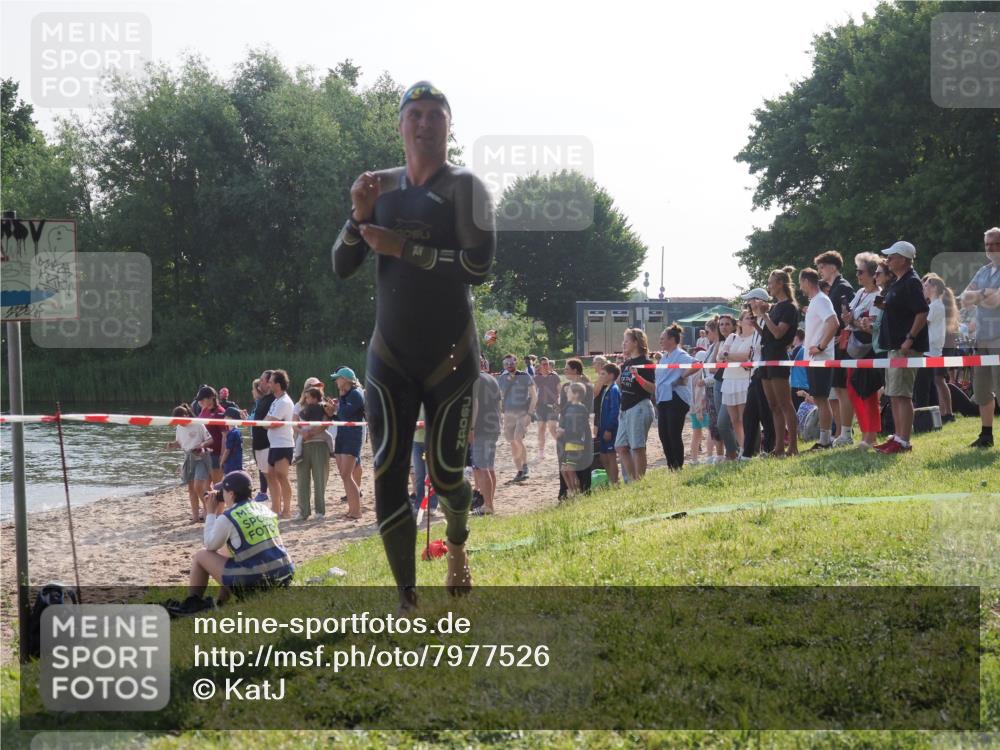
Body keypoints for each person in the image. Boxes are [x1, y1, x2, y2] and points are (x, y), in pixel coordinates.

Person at [332, 81, 496, 607]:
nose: (425, 124)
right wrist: (359, 217)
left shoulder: (465, 188)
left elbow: (478, 268)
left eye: (435, 115)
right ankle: (406, 596)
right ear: (400, 124)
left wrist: (403, 247)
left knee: (449, 475)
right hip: (389, 357)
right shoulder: (376, 187)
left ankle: (458, 545)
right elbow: (341, 264)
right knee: (386, 471)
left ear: (449, 125)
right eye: (415, 114)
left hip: (450, 357)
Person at [171, 470, 294, 615]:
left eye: (223, 491)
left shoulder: (229, 517)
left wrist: (210, 513)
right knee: (227, 549)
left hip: (255, 584)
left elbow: (209, 545)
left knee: (201, 555)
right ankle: (222, 601)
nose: (221, 495)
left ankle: (193, 602)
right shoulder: (263, 509)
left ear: (231, 494)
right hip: (284, 576)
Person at [874, 241, 929, 454]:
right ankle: (897, 437)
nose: (887, 260)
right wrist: (886, 306)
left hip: (905, 347)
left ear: (904, 259)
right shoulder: (899, 281)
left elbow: (922, 312)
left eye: (892, 256)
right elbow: (904, 309)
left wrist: (909, 338)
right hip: (894, 346)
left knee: (903, 394)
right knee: (894, 393)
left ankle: (904, 441)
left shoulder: (912, 282)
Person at [749, 269, 800, 457]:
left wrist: (764, 316)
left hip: (778, 359)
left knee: (785, 404)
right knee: (773, 406)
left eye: (771, 283)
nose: (768, 286)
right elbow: (769, 336)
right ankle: (779, 447)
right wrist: (756, 325)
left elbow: (779, 334)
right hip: (766, 359)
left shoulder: (789, 307)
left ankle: (793, 446)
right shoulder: (776, 307)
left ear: (780, 283)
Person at [635, 324, 693, 470]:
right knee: (663, 435)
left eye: (663, 338)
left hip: (676, 398)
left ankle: (678, 466)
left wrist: (682, 377)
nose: (660, 341)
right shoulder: (664, 357)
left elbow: (697, 365)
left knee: (674, 433)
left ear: (672, 339)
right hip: (663, 399)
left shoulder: (680, 355)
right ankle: (671, 466)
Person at [962, 227, 1000, 448]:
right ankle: (986, 435)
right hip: (981, 338)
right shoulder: (983, 271)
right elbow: (965, 297)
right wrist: (985, 294)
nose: (990, 248)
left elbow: (997, 302)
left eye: (995, 243)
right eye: (987, 244)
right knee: (982, 389)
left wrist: (980, 295)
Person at [841, 253, 884, 449]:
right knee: (853, 390)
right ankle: (865, 432)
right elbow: (852, 318)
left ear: (872, 274)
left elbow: (871, 327)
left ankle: (871, 435)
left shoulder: (878, 296)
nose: (857, 275)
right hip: (854, 349)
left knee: (868, 392)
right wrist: (848, 318)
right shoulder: (860, 293)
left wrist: (854, 321)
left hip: (868, 349)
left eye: (861, 271)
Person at [815, 251, 857, 445]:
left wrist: (839, 333)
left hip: (843, 345)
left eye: (822, 267)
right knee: (837, 390)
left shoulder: (843, 287)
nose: (819, 271)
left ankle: (846, 432)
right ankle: (841, 432)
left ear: (833, 266)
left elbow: (848, 317)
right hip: (835, 345)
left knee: (842, 390)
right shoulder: (832, 289)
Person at [799, 268, 839, 450]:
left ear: (807, 281)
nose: (800, 288)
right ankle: (825, 439)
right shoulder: (817, 301)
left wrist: (821, 346)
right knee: (820, 398)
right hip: (814, 359)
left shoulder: (821, 300)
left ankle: (825, 440)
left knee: (822, 399)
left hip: (821, 358)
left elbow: (834, 323)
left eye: (801, 283)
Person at [614, 328, 655, 480]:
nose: (623, 343)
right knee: (621, 446)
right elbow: (620, 385)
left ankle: (639, 481)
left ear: (636, 342)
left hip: (639, 407)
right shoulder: (627, 363)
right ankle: (632, 480)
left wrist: (637, 376)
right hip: (625, 409)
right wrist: (618, 370)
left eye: (626, 340)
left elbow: (652, 388)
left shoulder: (646, 363)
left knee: (637, 447)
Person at [916, 273, 956, 422]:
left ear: (934, 287)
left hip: (929, 350)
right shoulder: (936, 305)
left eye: (926, 286)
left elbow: (922, 325)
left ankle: (926, 416)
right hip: (933, 349)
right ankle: (945, 413)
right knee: (937, 381)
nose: (923, 288)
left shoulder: (934, 306)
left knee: (925, 384)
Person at [166, 404, 213, 523]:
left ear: (186, 415)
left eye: (180, 420)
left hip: (201, 457)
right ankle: (196, 517)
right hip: (188, 458)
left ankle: (208, 509)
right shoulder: (179, 427)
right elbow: (180, 443)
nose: (179, 423)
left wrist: (201, 445)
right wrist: (172, 445)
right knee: (191, 488)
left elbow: (210, 439)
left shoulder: (198, 424)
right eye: (177, 421)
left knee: (198, 486)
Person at [719, 311, 757, 452]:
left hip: (744, 380)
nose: (751, 320)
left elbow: (746, 356)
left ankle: (749, 448)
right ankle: (742, 447)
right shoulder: (732, 337)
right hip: (729, 379)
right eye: (748, 318)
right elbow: (719, 356)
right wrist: (730, 355)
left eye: (752, 318)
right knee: (734, 420)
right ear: (740, 321)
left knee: (744, 418)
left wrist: (728, 355)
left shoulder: (754, 337)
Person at [331, 366, 365, 520]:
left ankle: (356, 511)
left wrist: (337, 406)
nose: (336, 381)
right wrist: (334, 409)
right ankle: (352, 509)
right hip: (342, 435)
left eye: (337, 378)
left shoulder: (356, 394)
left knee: (347, 474)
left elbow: (346, 413)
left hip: (352, 436)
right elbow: (339, 417)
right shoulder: (346, 394)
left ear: (345, 380)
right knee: (344, 474)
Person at [469, 357, 501, 515]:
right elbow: (499, 404)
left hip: (481, 427)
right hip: (493, 425)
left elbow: (475, 404)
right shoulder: (492, 379)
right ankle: (488, 503)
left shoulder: (474, 380)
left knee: (482, 468)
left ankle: (488, 506)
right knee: (489, 467)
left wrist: (471, 427)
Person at [558, 359, 594, 497]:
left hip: (578, 432)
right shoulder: (565, 386)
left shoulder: (586, 387)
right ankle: (566, 491)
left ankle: (583, 490)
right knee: (564, 464)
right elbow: (563, 409)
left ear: (575, 370)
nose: (565, 371)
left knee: (580, 463)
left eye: (567, 368)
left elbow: (588, 409)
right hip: (565, 429)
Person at [498, 353, 537, 483]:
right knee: (512, 443)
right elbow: (500, 398)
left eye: (512, 362)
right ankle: (519, 471)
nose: (509, 365)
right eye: (506, 363)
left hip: (522, 413)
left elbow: (534, 396)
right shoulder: (502, 378)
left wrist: (530, 414)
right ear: (503, 365)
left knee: (518, 438)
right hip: (508, 414)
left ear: (516, 362)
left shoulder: (525, 376)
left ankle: (525, 467)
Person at [295, 386, 330, 520]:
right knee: (302, 479)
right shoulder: (299, 406)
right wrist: (303, 433)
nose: (307, 398)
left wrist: (312, 433)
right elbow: (294, 423)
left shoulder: (324, 406)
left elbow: (326, 423)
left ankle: (320, 510)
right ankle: (303, 511)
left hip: (320, 444)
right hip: (304, 444)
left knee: (319, 478)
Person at [265, 369, 295, 518]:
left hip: (284, 444)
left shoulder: (284, 401)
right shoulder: (276, 400)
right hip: (274, 444)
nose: (268, 384)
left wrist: (270, 423)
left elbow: (269, 422)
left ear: (278, 384)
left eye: (271, 382)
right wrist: (270, 423)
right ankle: (275, 508)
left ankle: (287, 510)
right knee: (271, 475)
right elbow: (266, 422)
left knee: (281, 475)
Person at [711, 314, 740, 460]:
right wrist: (717, 345)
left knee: (724, 422)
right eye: (721, 324)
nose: (723, 327)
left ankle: (734, 452)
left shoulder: (737, 339)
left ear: (734, 326)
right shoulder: (720, 343)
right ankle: (732, 453)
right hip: (718, 382)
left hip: (733, 381)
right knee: (722, 423)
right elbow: (711, 366)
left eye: (727, 324)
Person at [250, 371, 275, 503]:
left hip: (267, 443)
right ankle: (274, 502)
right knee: (265, 473)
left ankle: (278, 504)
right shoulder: (263, 400)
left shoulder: (273, 400)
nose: (260, 382)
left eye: (262, 380)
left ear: (269, 382)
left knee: (271, 476)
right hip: (258, 444)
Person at [595, 362, 621, 483]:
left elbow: (615, 411)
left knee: (610, 456)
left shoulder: (614, 390)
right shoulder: (606, 389)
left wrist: (609, 429)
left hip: (609, 429)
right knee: (603, 457)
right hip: (602, 427)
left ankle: (615, 483)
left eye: (603, 374)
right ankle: (611, 481)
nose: (601, 376)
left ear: (611, 375)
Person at [196, 386, 227, 484]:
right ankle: (212, 499)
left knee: (217, 485)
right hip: (205, 453)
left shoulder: (220, 412)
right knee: (201, 486)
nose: (200, 402)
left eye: (202, 399)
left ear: (211, 398)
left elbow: (225, 435)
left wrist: (222, 455)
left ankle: (220, 499)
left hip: (216, 454)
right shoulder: (204, 410)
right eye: (199, 399)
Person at [532, 357, 561, 461]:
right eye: (543, 364)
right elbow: (533, 393)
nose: (545, 365)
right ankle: (541, 451)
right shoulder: (536, 378)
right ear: (540, 365)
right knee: (541, 428)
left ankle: (562, 446)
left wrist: (559, 403)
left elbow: (560, 391)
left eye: (547, 363)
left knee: (552, 428)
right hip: (540, 406)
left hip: (552, 406)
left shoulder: (554, 376)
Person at [220, 406, 244, 476]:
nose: (224, 419)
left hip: (231, 464)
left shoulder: (232, 433)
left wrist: (222, 462)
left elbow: (227, 450)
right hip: (238, 463)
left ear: (230, 418)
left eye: (225, 417)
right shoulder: (238, 431)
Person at [789, 329, 808, 409]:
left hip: (799, 385)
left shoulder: (799, 349)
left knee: (798, 410)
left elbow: (789, 362)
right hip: (803, 384)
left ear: (796, 338)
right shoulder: (803, 349)